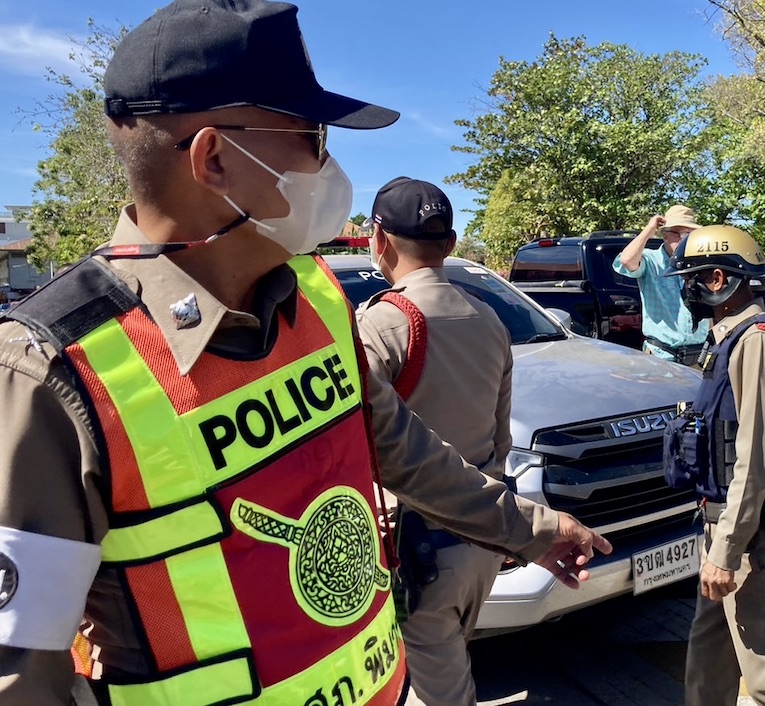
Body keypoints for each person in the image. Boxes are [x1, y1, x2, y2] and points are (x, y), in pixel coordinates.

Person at [0, 2, 611, 705]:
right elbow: (21, 673)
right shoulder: (55, 372)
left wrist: (531, 529)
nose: (330, 166)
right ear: (216, 158)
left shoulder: (316, 301)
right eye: (311, 137)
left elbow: (402, 449)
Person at [660, 225, 765, 706]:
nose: (685, 290)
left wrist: (727, 550)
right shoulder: (729, 337)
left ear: (718, 279)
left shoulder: (756, 340)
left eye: (690, 278)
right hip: (724, 523)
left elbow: (755, 456)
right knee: (709, 655)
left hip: (747, 533)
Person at [356, 177, 510, 706]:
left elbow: (359, 447)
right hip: (483, 537)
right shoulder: (490, 318)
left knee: (436, 693)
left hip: (418, 549)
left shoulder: (383, 322)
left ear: (379, 239)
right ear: (449, 243)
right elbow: (501, 436)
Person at [612, 205, 710, 364]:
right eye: (680, 234)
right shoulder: (651, 260)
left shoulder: (701, 264)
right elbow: (626, 260)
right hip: (662, 356)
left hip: (699, 356)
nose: (685, 240)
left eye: (690, 234)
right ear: (665, 235)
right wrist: (649, 230)